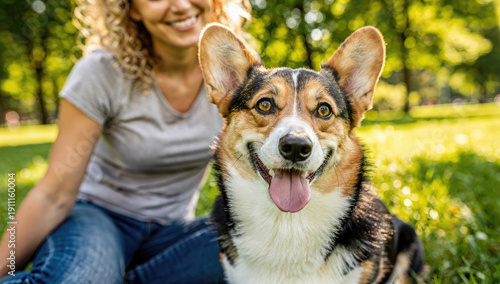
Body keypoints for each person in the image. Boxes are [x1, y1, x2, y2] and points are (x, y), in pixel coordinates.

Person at [0, 0, 251, 283]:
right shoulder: (101, 72)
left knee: (260, 246)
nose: (180, 6)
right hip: (98, 218)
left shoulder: (235, 74)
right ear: (130, 8)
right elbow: (53, 195)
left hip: (174, 231)